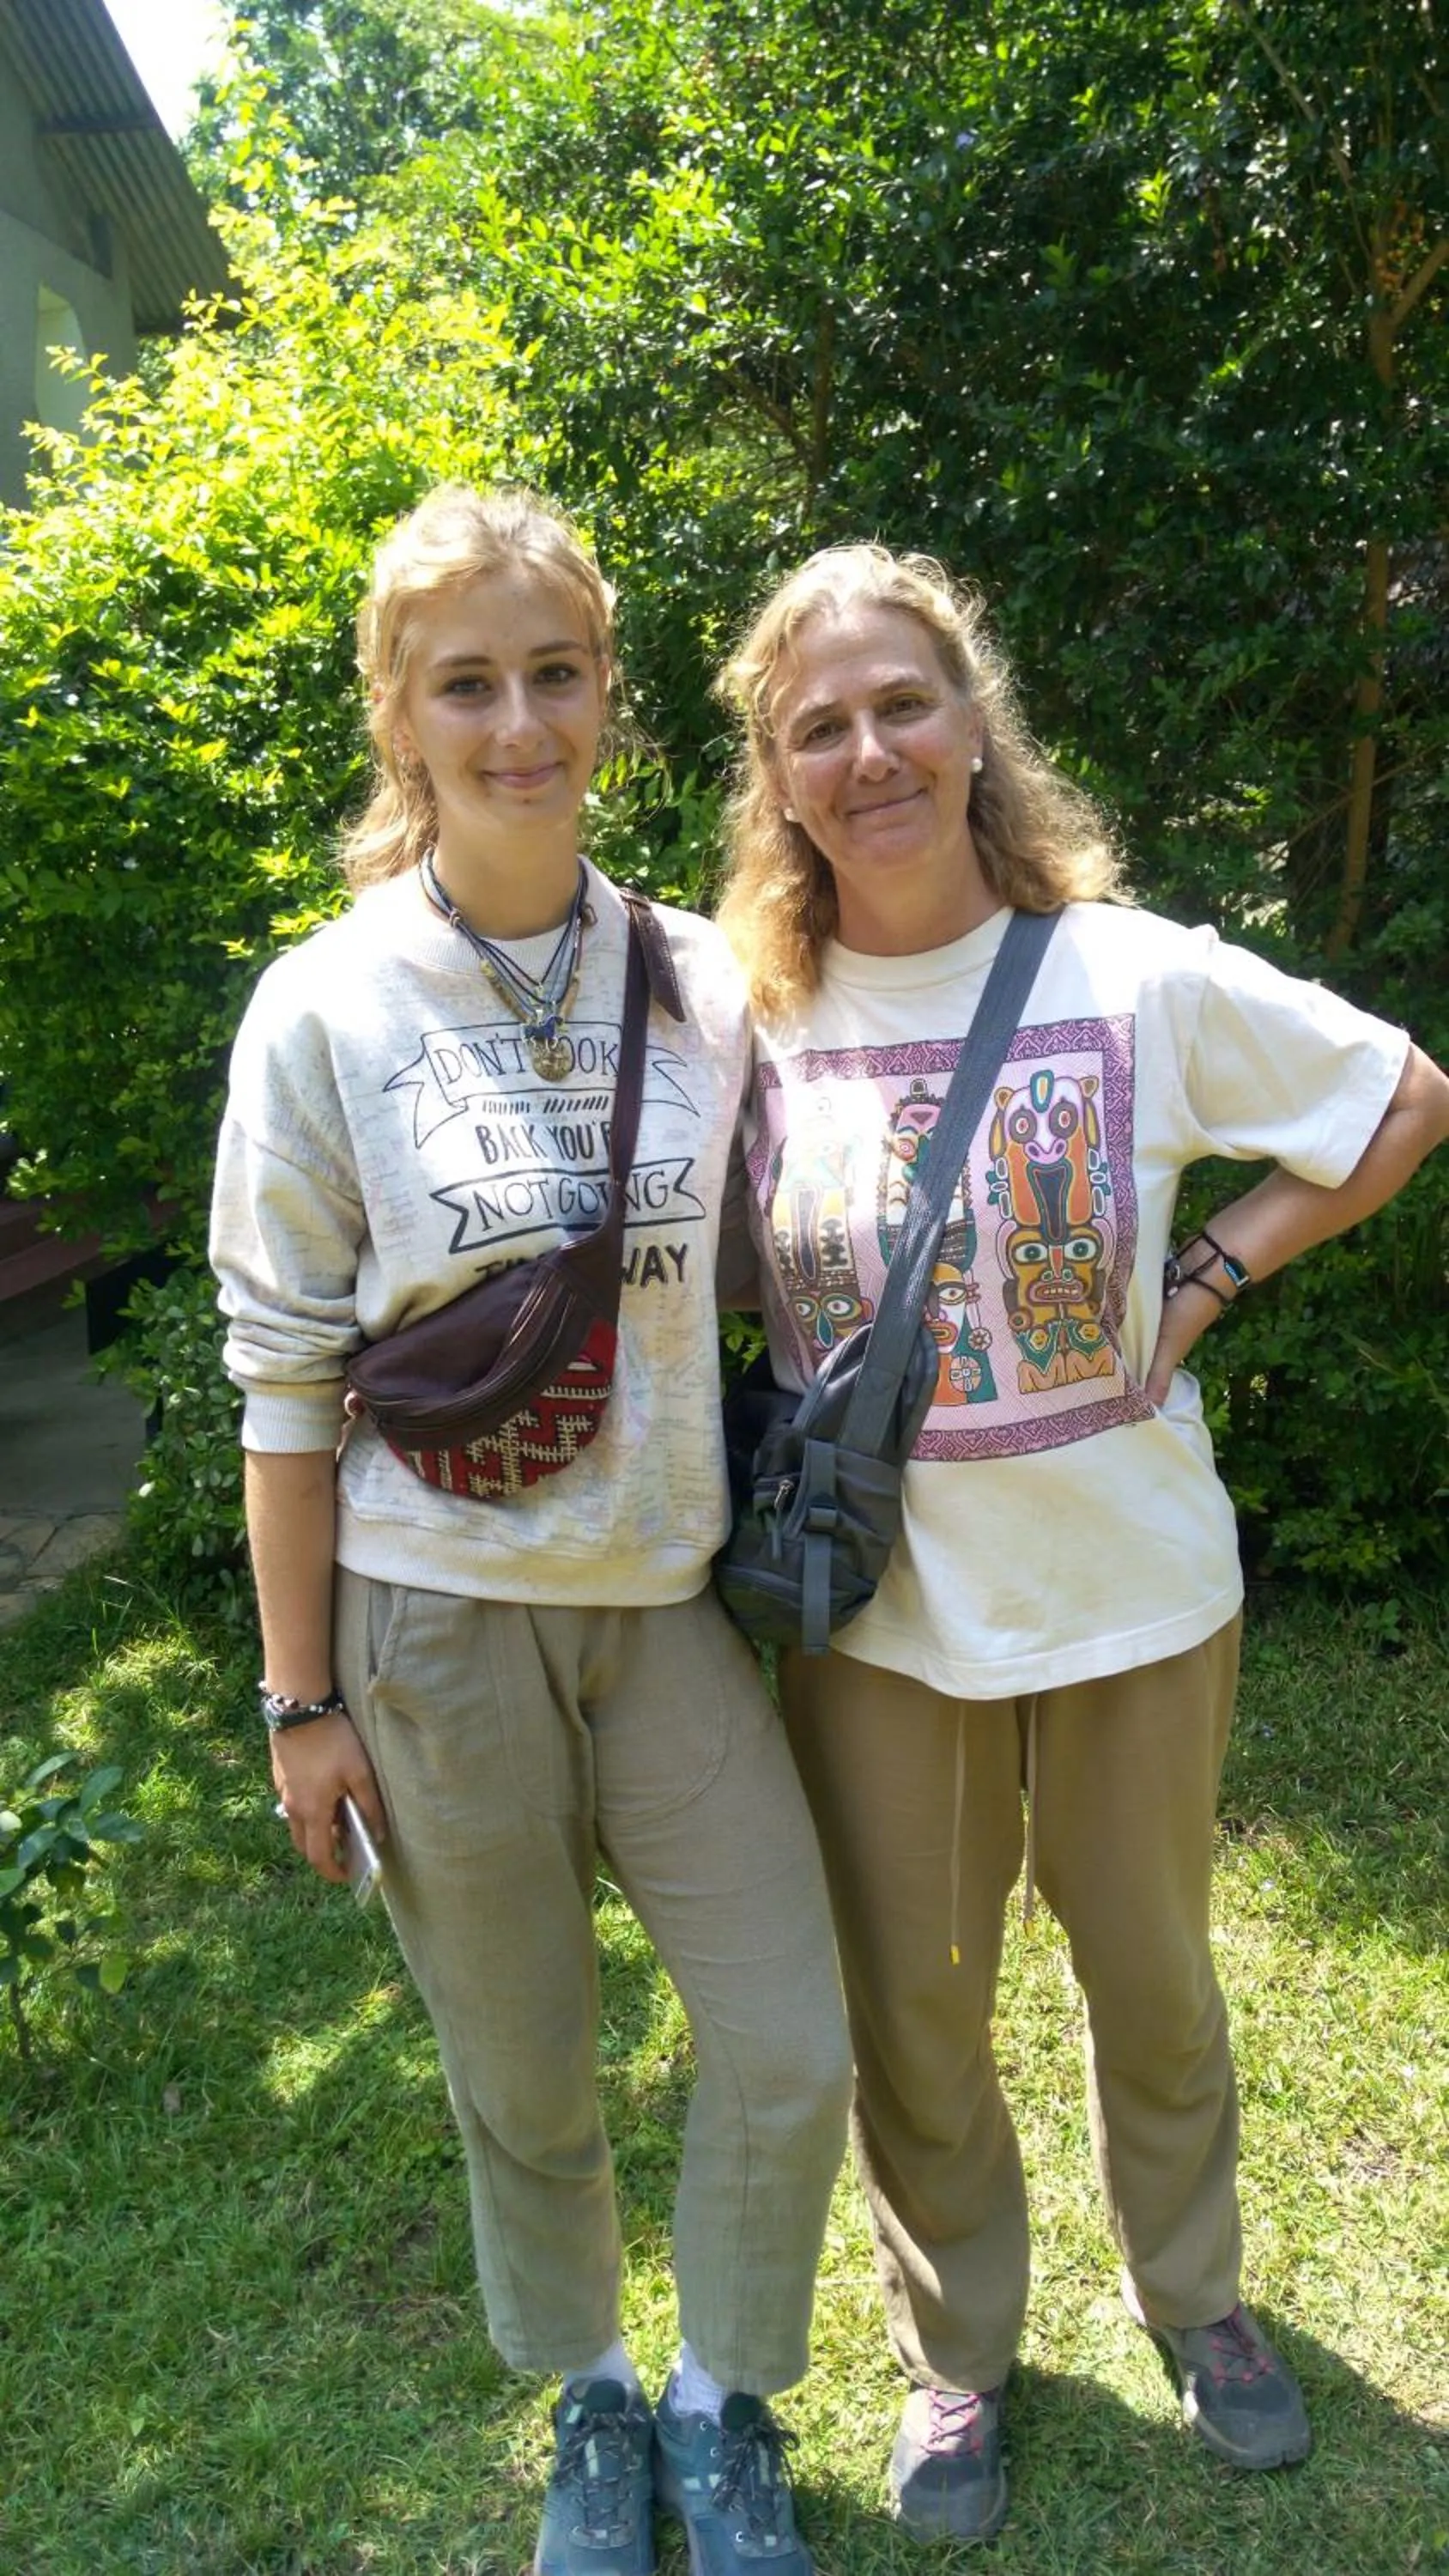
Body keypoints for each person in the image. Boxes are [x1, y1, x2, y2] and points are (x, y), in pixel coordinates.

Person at [711, 541, 1449, 2545]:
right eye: (819, 728)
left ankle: (1198, 2305)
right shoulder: (739, 1021)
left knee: (1152, 1977)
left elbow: (1395, 1096)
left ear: (973, 727)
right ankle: (959, 2356)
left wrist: (1205, 1272)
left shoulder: (1129, 972)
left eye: (902, 705)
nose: (869, 753)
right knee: (916, 2012)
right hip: (875, 1624)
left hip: (1129, 1591)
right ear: (776, 780)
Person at [209, 484, 852, 2576]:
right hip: (432, 1618)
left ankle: (722, 2399)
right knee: (523, 2065)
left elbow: (781, 1250)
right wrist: (303, 1697)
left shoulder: (695, 979)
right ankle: (592, 2401)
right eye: (466, 682)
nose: (517, 723)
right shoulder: (324, 1008)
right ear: (398, 714)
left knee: (782, 2038)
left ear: (607, 697)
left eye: (552, 674)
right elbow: (282, 1385)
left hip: (660, 1605)